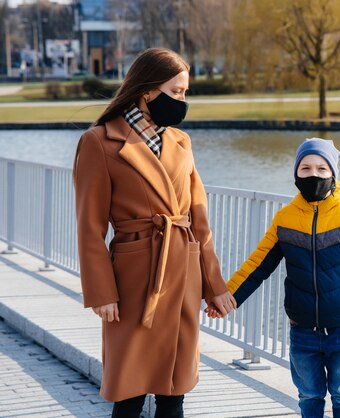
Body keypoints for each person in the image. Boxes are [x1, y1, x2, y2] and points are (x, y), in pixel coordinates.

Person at [73, 48, 236, 418]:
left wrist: (215, 285)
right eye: (176, 91)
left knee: (175, 391)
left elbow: (199, 221)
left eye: (185, 92)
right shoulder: (99, 142)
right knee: (129, 393)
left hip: (182, 274)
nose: (182, 101)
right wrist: (101, 292)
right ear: (147, 91)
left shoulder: (181, 142)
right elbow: (89, 228)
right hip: (133, 280)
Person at [209, 138, 340, 417]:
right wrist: (228, 298)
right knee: (309, 396)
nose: (313, 175)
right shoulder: (285, 218)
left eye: (321, 169)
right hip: (302, 330)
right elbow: (257, 265)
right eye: (305, 168)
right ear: (296, 174)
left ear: (333, 175)